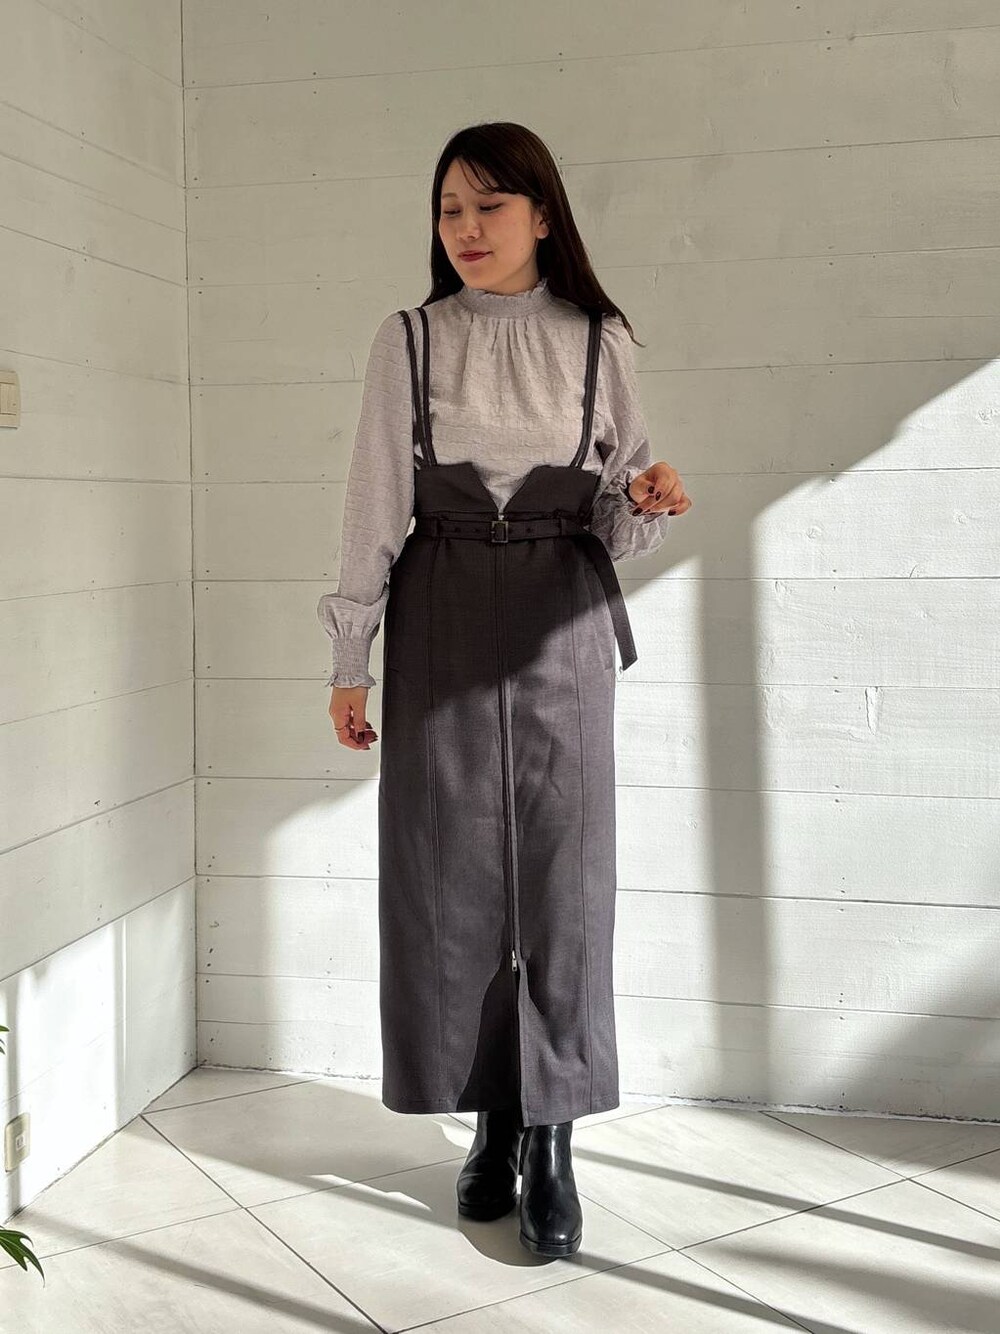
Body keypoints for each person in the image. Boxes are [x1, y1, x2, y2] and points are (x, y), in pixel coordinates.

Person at [317, 122, 691, 1257]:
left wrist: (651, 498)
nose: (466, 229)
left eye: (489, 205)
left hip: (559, 623)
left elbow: (616, 516)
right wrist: (349, 656)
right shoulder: (409, 339)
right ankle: (490, 1115)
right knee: (449, 872)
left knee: (564, 878)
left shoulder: (601, 341)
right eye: (449, 209)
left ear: (540, 213)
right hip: (437, 611)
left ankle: (553, 1128)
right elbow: (373, 503)